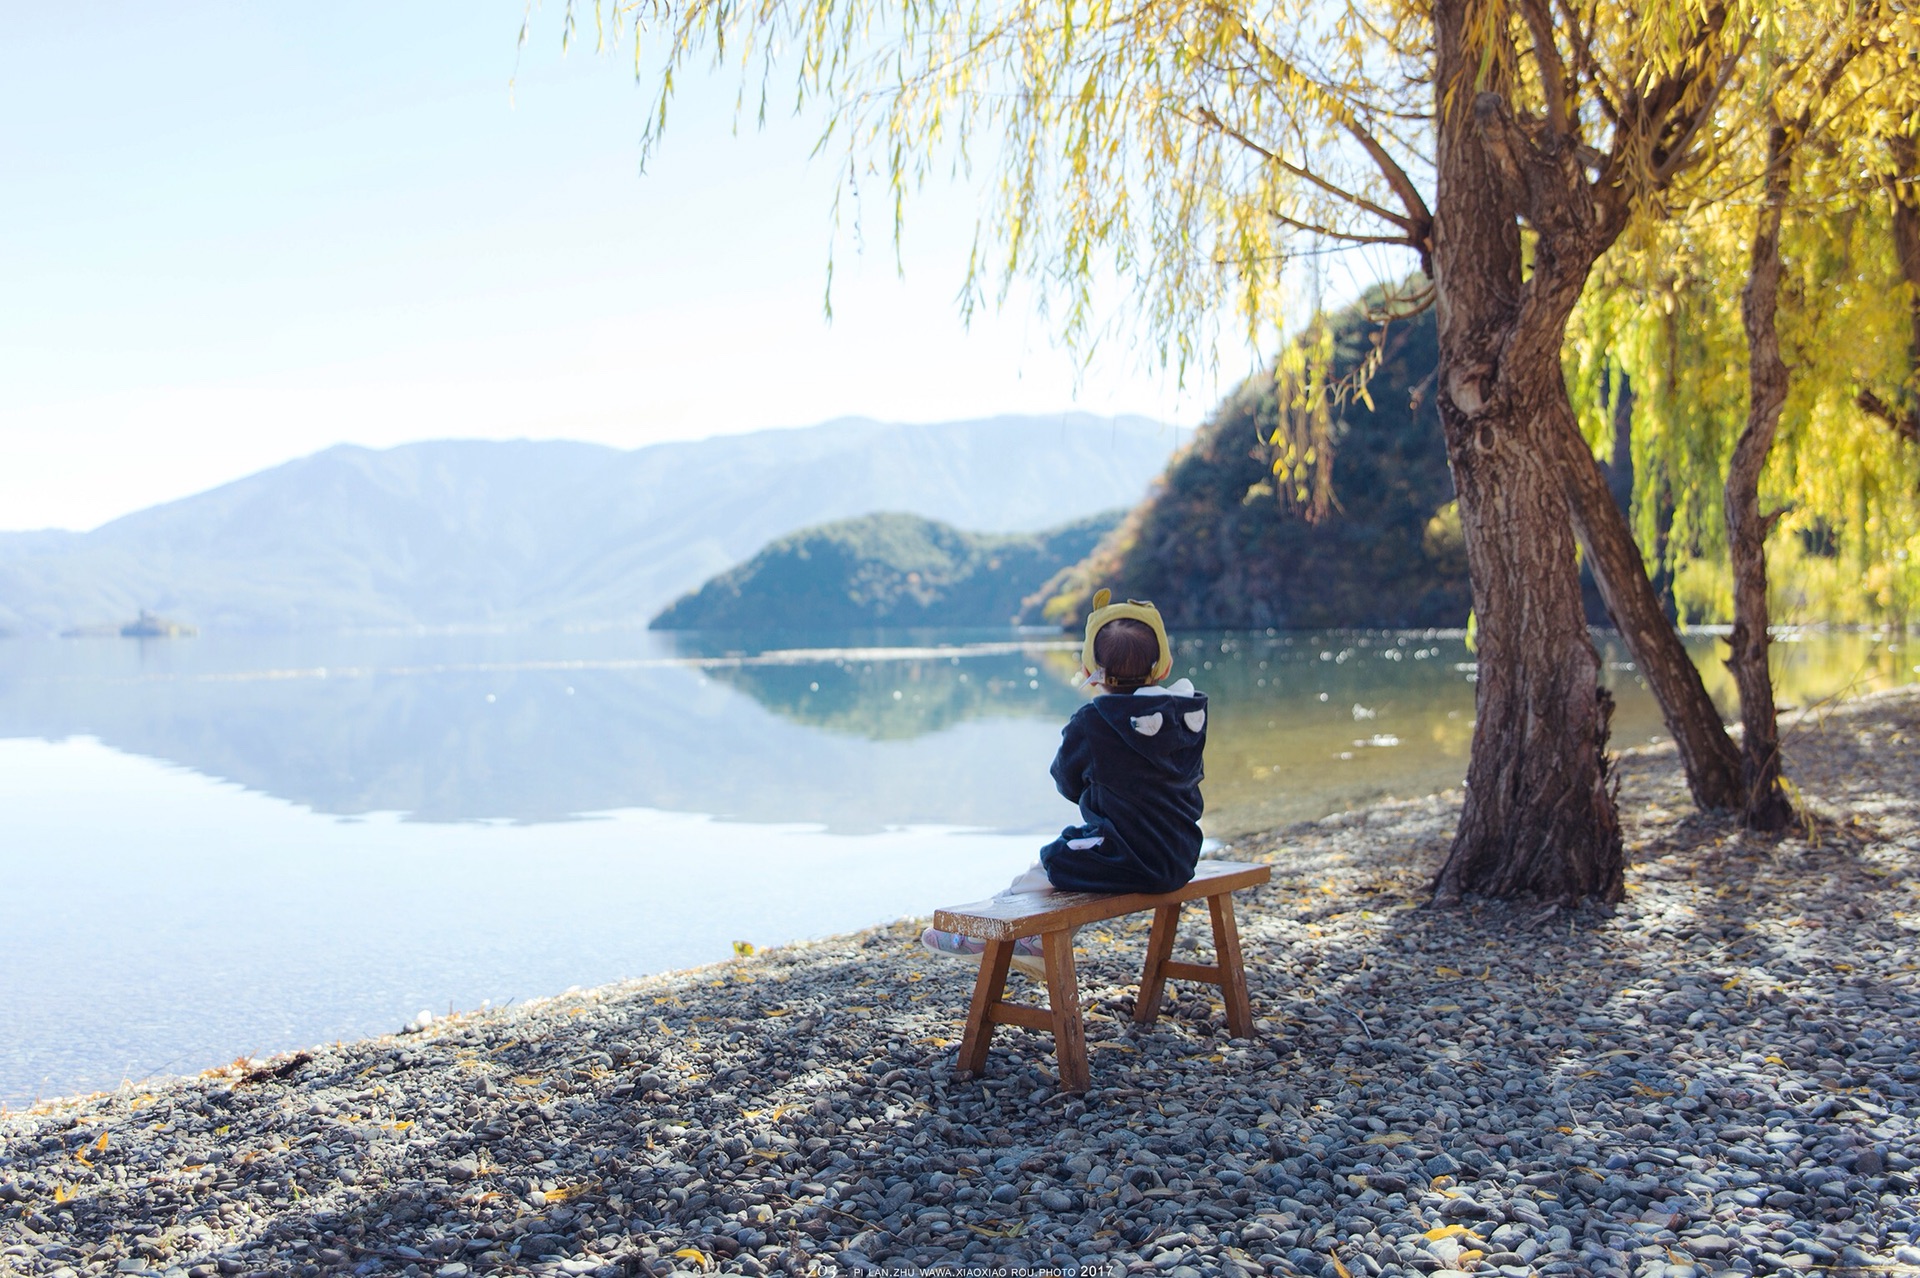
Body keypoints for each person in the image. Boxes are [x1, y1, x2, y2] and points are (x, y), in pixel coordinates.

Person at [921, 590, 1208, 976]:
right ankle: (1020, 931)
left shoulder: (1093, 722)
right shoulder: (1186, 715)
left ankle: (999, 931)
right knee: (1079, 846)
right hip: (1182, 854)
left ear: (1093, 670)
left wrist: (1098, 792)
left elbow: (1066, 780)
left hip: (1132, 859)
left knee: (1055, 857)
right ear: (1164, 665)